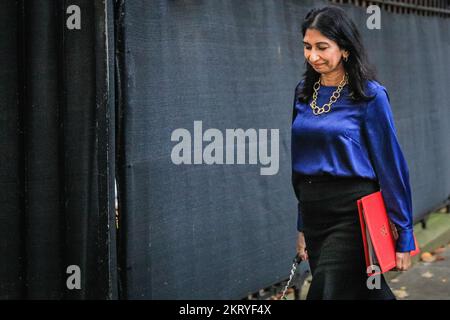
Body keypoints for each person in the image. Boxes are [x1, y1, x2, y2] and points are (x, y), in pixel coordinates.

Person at [291, 6, 416, 300]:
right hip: (314, 212)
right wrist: (301, 226)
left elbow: (391, 167)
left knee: (327, 289)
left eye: (322, 47)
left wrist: (404, 234)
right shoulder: (302, 93)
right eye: (307, 47)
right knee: (361, 292)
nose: (313, 56)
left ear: (345, 49)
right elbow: (299, 165)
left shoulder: (370, 96)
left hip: (353, 213)